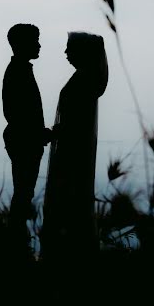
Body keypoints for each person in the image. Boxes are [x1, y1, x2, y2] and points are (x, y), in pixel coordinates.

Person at [42, 32, 108, 260]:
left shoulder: (83, 80)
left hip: (72, 153)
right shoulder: (84, 78)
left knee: (67, 202)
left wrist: (53, 132)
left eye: (70, 48)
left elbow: (74, 122)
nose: (66, 53)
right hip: (74, 150)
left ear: (82, 52)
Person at [2, 24, 52, 245]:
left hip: (23, 139)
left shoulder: (20, 69)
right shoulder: (18, 72)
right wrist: (40, 134)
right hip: (24, 142)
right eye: (35, 40)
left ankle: (16, 240)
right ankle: (16, 242)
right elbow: (17, 114)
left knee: (24, 193)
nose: (39, 45)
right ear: (22, 44)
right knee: (23, 194)